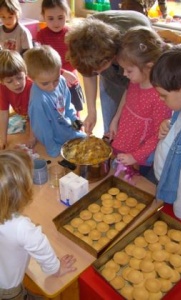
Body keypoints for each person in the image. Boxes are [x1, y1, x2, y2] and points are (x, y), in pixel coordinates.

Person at [0, 150, 77, 300]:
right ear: (22, 193)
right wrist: (56, 269)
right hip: (9, 292)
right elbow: (42, 249)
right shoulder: (21, 227)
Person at [66, 10, 152, 136]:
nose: (94, 74)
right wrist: (92, 112)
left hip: (137, 63)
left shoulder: (133, 47)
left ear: (108, 59)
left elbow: (132, 88)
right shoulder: (83, 40)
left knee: (131, 124)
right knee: (111, 127)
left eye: (96, 71)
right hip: (111, 58)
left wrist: (118, 118)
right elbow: (88, 73)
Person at [109, 26, 172, 180]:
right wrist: (115, 120)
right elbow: (127, 95)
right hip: (126, 137)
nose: (124, 74)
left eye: (129, 70)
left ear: (149, 67)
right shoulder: (136, 80)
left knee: (137, 180)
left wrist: (135, 157)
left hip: (139, 153)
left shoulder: (159, 97)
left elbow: (159, 135)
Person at [150, 43, 181, 220]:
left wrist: (180, 211)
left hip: (177, 198)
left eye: (163, 95)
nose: (160, 98)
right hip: (167, 180)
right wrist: (168, 124)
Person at [23, 45, 86, 158]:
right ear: (31, 78)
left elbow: (68, 107)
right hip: (52, 139)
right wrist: (53, 149)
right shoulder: (38, 101)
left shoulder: (62, 81)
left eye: (55, 80)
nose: (52, 86)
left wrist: (77, 123)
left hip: (66, 129)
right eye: (45, 83)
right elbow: (42, 129)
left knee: (87, 142)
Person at [36, 0, 84, 116]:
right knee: (55, 106)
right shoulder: (41, 35)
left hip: (70, 75)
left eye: (60, 17)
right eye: (51, 18)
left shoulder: (71, 33)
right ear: (43, 17)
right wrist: (61, 73)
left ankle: (77, 126)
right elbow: (43, 61)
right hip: (51, 74)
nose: (56, 23)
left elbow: (77, 57)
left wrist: (71, 72)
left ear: (67, 15)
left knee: (74, 106)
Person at [0, 49, 35, 150]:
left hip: (41, 115)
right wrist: (3, 139)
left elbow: (35, 115)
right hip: (25, 115)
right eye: (9, 81)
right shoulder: (2, 89)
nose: (17, 83)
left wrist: (32, 137)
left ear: (25, 73)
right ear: (2, 82)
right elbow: (3, 113)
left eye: (19, 77)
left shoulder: (32, 87)